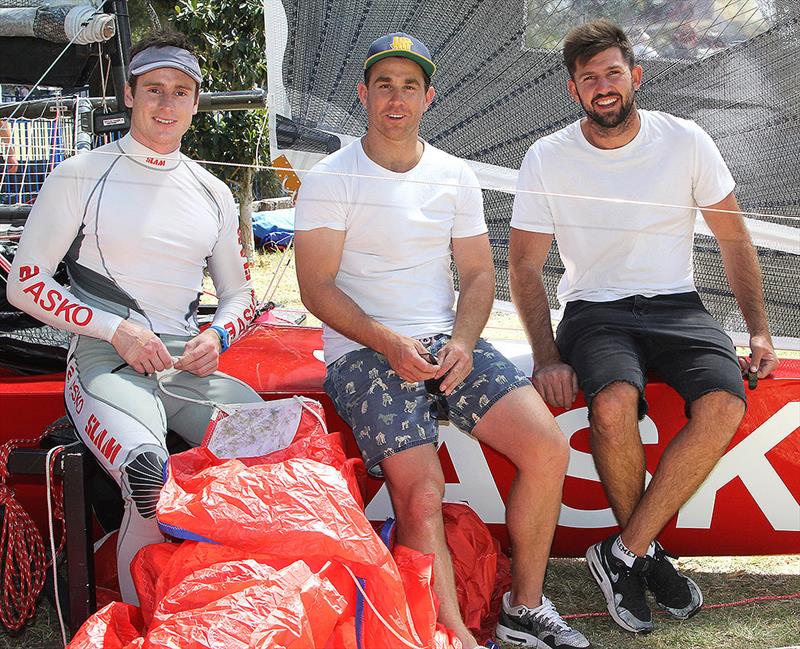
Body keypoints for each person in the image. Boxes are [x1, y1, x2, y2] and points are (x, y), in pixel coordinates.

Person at [294, 32, 590, 649]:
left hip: (446, 341)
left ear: (429, 96)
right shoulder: (329, 177)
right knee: (423, 495)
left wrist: (462, 339)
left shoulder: (454, 174)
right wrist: (388, 343)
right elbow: (316, 289)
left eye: (409, 86)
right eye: (383, 85)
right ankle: (449, 634)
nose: (395, 99)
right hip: (364, 351)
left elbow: (480, 274)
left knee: (546, 448)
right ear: (363, 94)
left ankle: (524, 609)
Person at [509, 19, 779, 635]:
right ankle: (645, 555)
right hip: (595, 309)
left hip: (678, 305)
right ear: (573, 91)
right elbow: (524, 265)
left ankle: (625, 550)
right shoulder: (547, 156)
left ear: (636, 76)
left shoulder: (684, 139)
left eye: (611, 73)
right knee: (612, 402)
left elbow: (733, 237)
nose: (602, 87)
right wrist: (547, 356)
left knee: (723, 403)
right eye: (588, 79)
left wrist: (758, 331)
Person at [7, 29, 262, 604]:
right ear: (128, 94)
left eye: (179, 91)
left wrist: (218, 335)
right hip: (104, 361)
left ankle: (230, 614)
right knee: (149, 481)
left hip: (185, 366)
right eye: (153, 90)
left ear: (196, 102)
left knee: (278, 450)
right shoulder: (81, 173)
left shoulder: (212, 191)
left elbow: (239, 296)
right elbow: (26, 283)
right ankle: (138, 631)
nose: (166, 104)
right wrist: (114, 329)